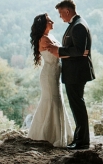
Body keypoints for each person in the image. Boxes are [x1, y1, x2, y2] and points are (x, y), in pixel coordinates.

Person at [46, 0, 95, 150]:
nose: (60, 17)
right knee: (76, 105)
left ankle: (82, 142)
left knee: (77, 106)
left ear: (67, 11)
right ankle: (79, 139)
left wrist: (59, 51)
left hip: (76, 73)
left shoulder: (78, 26)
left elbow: (80, 50)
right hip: (75, 72)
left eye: (61, 13)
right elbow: (79, 50)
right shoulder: (76, 24)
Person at [27, 13, 73, 147]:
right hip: (49, 75)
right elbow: (59, 53)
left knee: (57, 100)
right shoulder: (44, 39)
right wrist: (77, 52)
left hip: (55, 74)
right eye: (49, 20)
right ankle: (50, 136)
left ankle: (57, 134)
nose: (52, 21)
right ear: (43, 24)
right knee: (53, 101)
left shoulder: (50, 37)